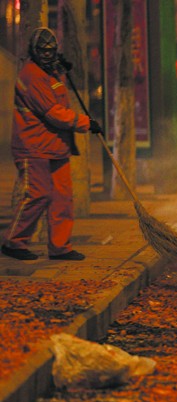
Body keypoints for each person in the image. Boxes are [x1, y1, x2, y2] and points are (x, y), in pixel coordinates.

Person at [2, 27, 102, 262]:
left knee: (62, 198)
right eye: (42, 51)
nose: (47, 55)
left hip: (56, 145)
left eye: (51, 51)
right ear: (34, 51)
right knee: (37, 194)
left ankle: (60, 247)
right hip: (33, 145)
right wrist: (86, 123)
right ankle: (13, 242)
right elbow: (53, 112)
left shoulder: (51, 72)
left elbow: (58, 97)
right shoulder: (31, 75)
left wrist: (62, 72)